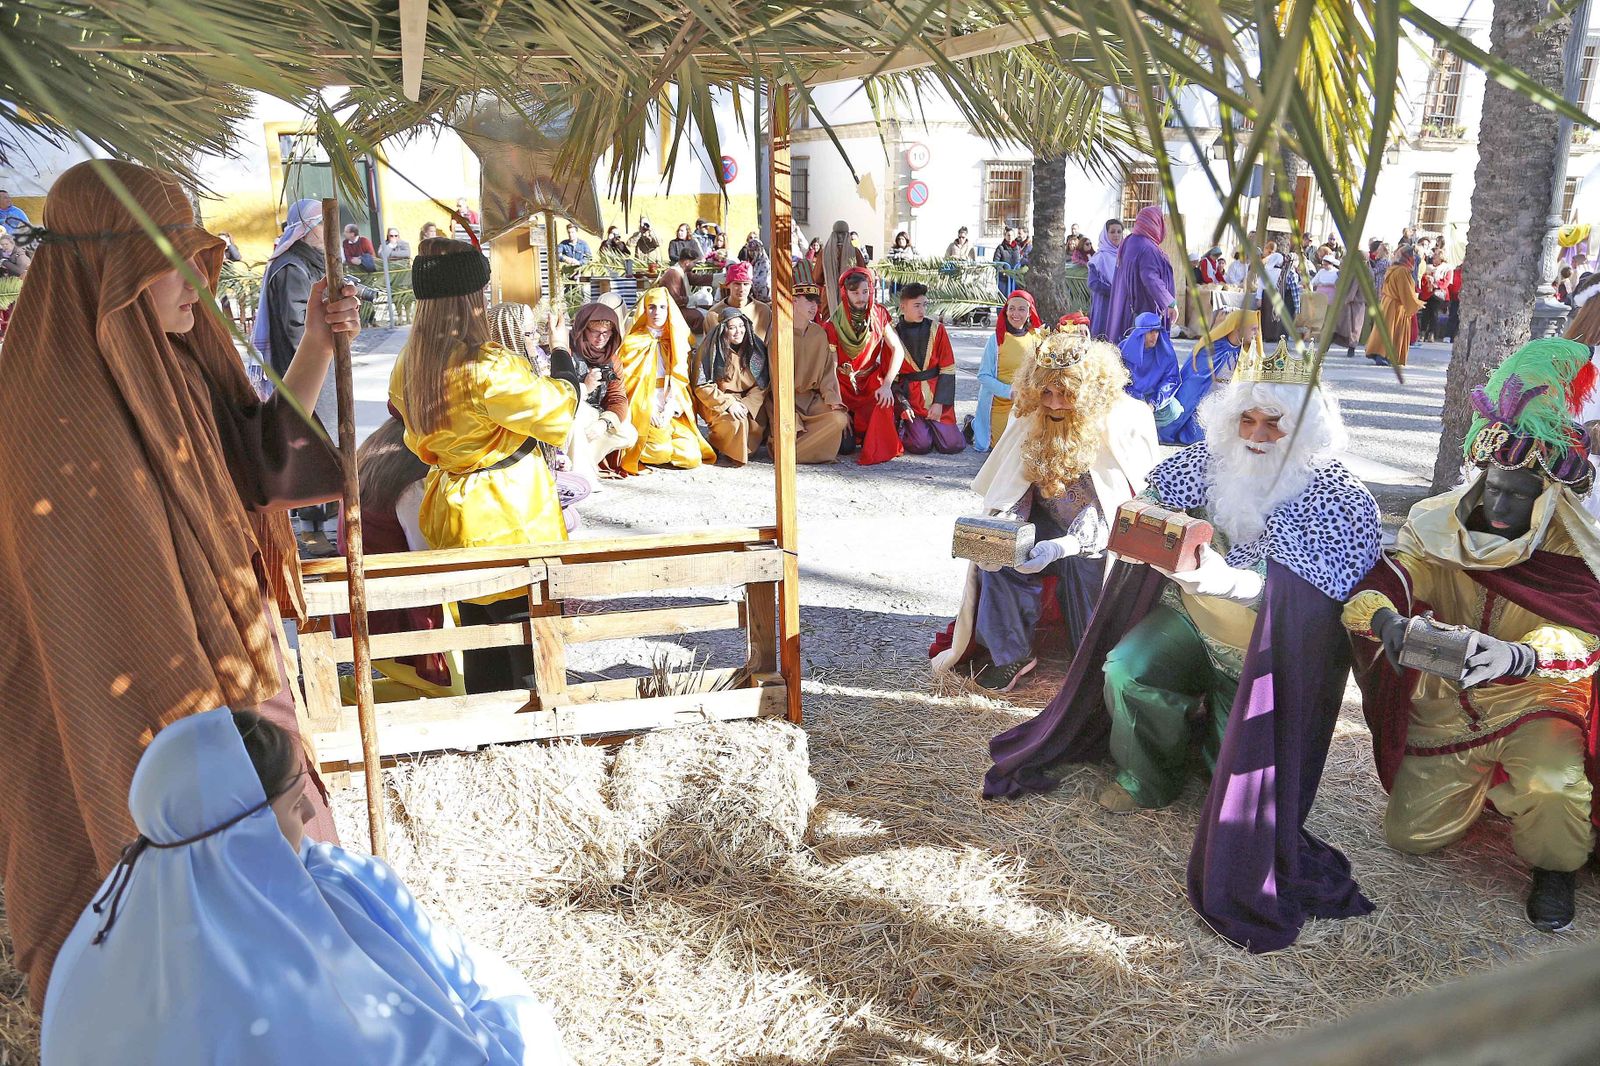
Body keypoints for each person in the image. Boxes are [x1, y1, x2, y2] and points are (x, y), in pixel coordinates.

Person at [0, 159, 359, 1005]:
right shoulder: (40, 412)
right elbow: (85, 607)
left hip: (233, 657)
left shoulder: (178, 364)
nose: (204, 277)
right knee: (163, 893)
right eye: (179, 257)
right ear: (118, 268)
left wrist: (313, 344)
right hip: (142, 701)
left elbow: (257, 458)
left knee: (288, 863)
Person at [985, 348, 1382, 952]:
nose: (1256, 435)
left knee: (1236, 774)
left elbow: (1312, 600)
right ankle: (1148, 775)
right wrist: (1093, 542)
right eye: (1246, 420)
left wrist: (1228, 579)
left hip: (1261, 651)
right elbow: (1135, 515)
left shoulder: (1340, 499)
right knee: (1124, 670)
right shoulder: (1202, 462)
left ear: (1305, 427)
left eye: (1273, 423)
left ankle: (1210, 766)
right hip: (1189, 621)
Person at [42, 707, 571, 1065]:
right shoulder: (315, 919)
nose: (313, 812)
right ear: (245, 833)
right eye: (296, 803)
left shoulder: (107, 923)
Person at [1347, 338, 1600, 932]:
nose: (1502, 504)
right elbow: (1384, 585)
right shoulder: (1438, 525)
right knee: (1409, 837)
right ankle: (1494, 795)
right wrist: (1386, 621)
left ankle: (1555, 866)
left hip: (1536, 702)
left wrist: (1516, 656)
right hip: (1448, 706)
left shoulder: (1570, 551)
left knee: (1554, 788)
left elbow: (1588, 642)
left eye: (1519, 494)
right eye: (1493, 488)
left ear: (1548, 499)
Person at [388, 238, 580, 692]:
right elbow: (559, 412)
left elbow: (417, 442)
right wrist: (560, 352)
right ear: (472, 298)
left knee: (480, 646)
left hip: (453, 516)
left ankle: (490, 743)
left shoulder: (408, 366)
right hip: (510, 517)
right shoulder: (485, 367)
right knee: (533, 645)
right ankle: (541, 741)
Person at [932, 320, 1160, 690]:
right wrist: (1006, 525)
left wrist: (1064, 546)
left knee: (1089, 569)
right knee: (1000, 557)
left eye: (1065, 394)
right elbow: (1015, 484)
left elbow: (1120, 507)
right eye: (1047, 393)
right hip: (1043, 523)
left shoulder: (1125, 420)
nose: (1054, 404)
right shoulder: (1030, 415)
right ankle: (1012, 655)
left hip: (1098, 538)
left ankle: (1090, 655)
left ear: (1087, 394)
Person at [616, 287, 714, 473]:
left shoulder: (677, 340)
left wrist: (670, 408)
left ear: (670, 310)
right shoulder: (633, 342)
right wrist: (650, 409)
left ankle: (667, 442)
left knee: (691, 457)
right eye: (651, 307)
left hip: (672, 407)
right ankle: (650, 446)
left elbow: (681, 380)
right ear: (644, 309)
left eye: (662, 307)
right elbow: (630, 383)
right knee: (660, 451)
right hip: (644, 407)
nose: (657, 313)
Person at [826, 265, 907, 465]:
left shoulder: (879, 315)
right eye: (855, 293)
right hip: (843, 385)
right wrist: (838, 404)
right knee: (845, 448)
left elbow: (898, 349)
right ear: (845, 293)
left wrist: (887, 384)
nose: (861, 298)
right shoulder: (832, 324)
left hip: (871, 382)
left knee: (883, 406)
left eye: (865, 291)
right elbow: (831, 366)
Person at [1160, 308, 1260, 447]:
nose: (1257, 333)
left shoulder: (1249, 351)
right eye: (1253, 329)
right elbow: (1192, 385)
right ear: (1238, 328)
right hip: (1206, 403)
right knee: (1200, 437)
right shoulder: (1210, 349)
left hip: (1232, 404)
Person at [566, 300, 638, 482]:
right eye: (595, 332)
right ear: (583, 330)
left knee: (628, 433)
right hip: (571, 415)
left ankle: (580, 465)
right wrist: (585, 386)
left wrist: (604, 423)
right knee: (580, 415)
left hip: (596, 417)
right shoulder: (567, 352)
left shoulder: (611, 359)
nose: (601, 338)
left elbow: (618, 397)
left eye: (607, 333)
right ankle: (582, 476)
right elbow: (558, 393)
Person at [892, 282, 963, 454]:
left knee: (952, 445)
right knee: (920, 446)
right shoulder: (893, 334)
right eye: (916, 305)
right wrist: (903, 405)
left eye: (924, 305)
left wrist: (939, 403)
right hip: (912, 400)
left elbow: (947, 368)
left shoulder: (937, 330)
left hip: (936, 395)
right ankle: (908, 429)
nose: (922, 310)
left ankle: (964, 427)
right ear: (903, 306)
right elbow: (892, 378)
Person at [694, 310, 769, 465]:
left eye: (741, 326)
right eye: (732, 327)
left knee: (752, 427)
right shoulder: (710, 349)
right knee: (735, 421)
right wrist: (729, 403)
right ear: (723, 329)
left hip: (749, 401)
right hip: (719, 401)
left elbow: (762, 383)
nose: (738, 331)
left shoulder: (755, 347)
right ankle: (719, 443)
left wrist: (747, 404)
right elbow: (702, 385)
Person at [974, 290, 1044, 452]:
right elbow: (983, 375)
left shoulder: (1037, 339)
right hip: (999, 404)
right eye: (1011, 308)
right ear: (1005, 311)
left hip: (1026, 404)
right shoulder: (996, 340)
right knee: (1001, 447)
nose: (1015, 313)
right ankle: (976, 424)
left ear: (1029, 312)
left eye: (1021, 309)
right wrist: (1009, 391)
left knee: (1025, 446)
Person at [789, 283, 851, 463]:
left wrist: (833, 400)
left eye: (816, 301)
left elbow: (827, 373)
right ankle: (789, 450)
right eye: (808, 301)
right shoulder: (779, 332)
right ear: (793, 301)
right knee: (789, 428)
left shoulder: (819, 333)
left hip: (812, 400)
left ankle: (796, 453)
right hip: (784, 401)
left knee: (839, 420)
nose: (814, 306)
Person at [1103, 206, 1175, 344]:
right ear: (1155, 223)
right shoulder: (1147, 247)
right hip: (1142, 310)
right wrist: (1169, 302)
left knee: (1125, 349)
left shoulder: (1130, 241)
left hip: (1125, 308)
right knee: (1142, 351)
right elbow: (1150, 278)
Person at [1116, 311, 1181, 428]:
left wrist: (1154, 403)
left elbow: (1172, 379)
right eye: (1150, 331)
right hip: (1128, 398)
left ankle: (1145, 428)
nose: (1154, 335)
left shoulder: (1166, 351)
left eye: (1157, 331)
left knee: (1174, 410)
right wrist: (1134, 399)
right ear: (1140, 333)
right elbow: (1116, 379)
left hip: (1153, 398)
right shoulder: (1123, 348)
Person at [1366, 248, 1424, 367]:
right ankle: (1383, 355)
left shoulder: (1392, 269)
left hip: (1387, 302)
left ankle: (1379, 353)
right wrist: (1416, 303)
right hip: (1396, 306)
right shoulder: (1403, 271)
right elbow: (1405, 291)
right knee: (1391, 329)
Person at [704, 260, 771, 342]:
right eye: (737, 284)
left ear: (751, 286)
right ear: (728, 285)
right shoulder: (714, 314)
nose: (742, 289)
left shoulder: (763, 311)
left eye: (746, 284)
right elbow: (709, 347)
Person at [816, 220, 865, 319]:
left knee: (828, 325)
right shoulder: (855, 252)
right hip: (850, 295)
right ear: (847, 235)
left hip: (829, 297)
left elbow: (817, 278)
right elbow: (863, 275)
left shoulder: (824, 253)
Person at [658, 240, 707, 333]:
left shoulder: (682, 272)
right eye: (694, 263)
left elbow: (699, 279)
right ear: (687, 262)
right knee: (704, 316)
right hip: (674, 311)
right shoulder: (673, 273)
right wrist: (693, 298)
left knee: (710, 310)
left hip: (682, 307)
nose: (695, 265)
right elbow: (675, 300)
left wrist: (722, 277)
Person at [1087, 218, 1124, 338]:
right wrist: (1113, 291)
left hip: (1122, 302)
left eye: (1119, 232)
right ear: (1105, 234)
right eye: (1112, 232)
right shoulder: (1099, 257)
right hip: (1104, 304)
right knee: (1102, 337)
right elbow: (1093, 283)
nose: (1116, 235)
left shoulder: (1125, 256)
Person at [738, 231, 772, 302]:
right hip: (755, 297)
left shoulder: (764, 262)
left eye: (753, 251)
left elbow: (762, 281)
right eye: (749, 251)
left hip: (766, 296)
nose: (751, 253)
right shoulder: (753, 261)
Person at [993, 226, 1024, 299]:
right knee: (1003, 299)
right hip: (1004, 278)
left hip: (1015, 279)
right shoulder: (1000, 248)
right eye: (1008, 235)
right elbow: (996, 262)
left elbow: (1021, 260)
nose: (1010, 237)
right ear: (1005, 236)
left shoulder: (1017, 248)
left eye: (1012, 235)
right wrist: (1003, 272)